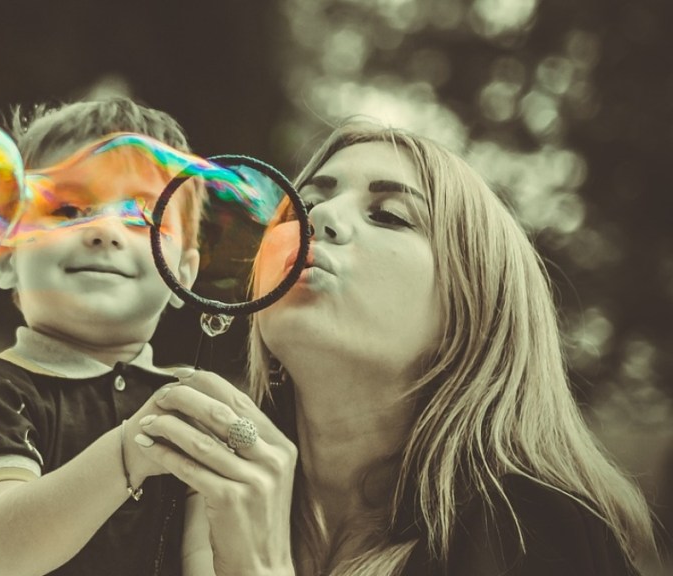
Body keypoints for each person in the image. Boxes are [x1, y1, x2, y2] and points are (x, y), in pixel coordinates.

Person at [133, 120, 659, 575]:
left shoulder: (537, 537)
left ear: (472, 311)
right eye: (307, 203)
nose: (318, 218)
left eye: (389, 215)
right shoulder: (174, 492)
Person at [0, 97, 204, 576]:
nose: (103, 230)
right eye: (66, 209)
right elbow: (8, 551)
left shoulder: (186, 405)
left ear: (183, 275)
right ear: (6, 258)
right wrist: (134, 447)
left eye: (141, 215)